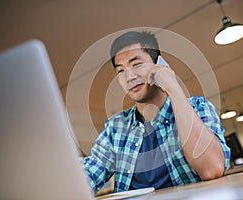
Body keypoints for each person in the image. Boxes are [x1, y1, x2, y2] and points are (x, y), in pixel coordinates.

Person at [82, 30, 230, 194]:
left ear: (159, 64)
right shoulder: (115, 128)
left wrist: (173, 88)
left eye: (136, 65)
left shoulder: (198, 107)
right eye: (121, 71)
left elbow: (212, 170)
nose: (129, 77)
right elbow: (87, 177)